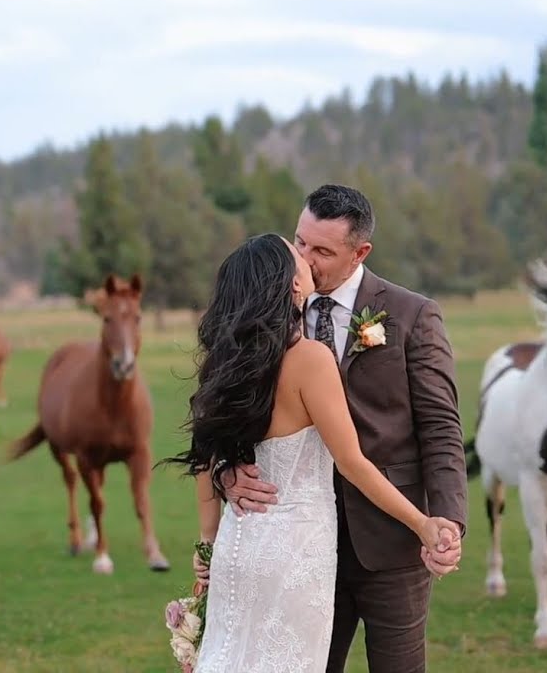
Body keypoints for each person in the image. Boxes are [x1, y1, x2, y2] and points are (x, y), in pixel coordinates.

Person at [164, 232, 462, 673]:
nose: (305, 258)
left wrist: (208, 545)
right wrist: (421, 522)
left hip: (238, 546)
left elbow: (207, 456)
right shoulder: (310, 359)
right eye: (297, 254)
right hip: (296, 552)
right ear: (293, 286)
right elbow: (353, 462)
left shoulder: (229, 362)